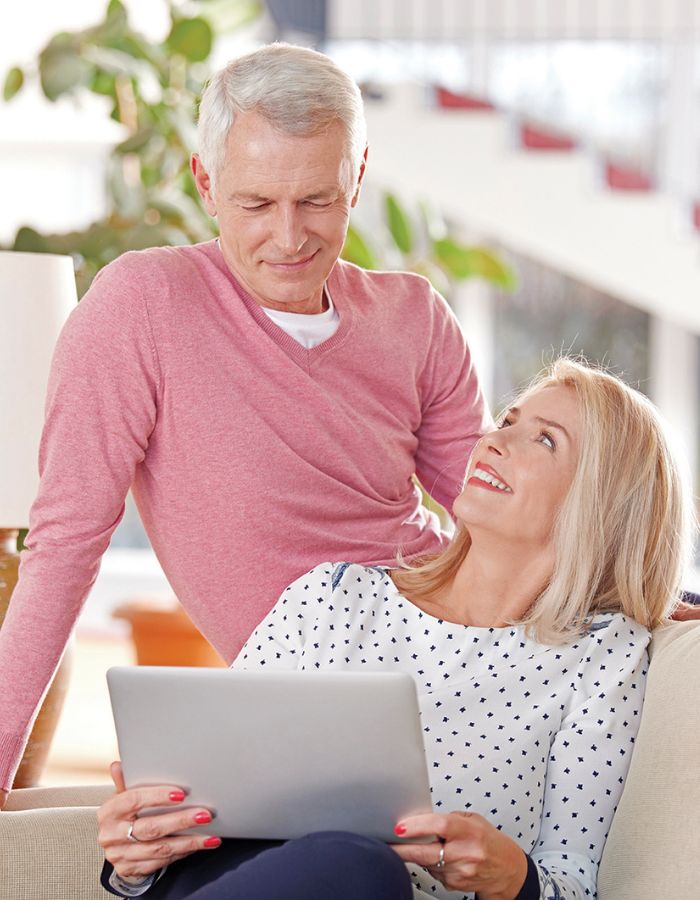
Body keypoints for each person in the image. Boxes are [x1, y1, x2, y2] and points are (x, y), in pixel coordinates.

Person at [0, 44, 490, 804]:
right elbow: (63, 549)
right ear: (206, 183)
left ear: (357, 179)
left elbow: (503, 523)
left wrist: (634, 589)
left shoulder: (414, 317)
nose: (289, 238)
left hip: (464, 652)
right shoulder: (143, 307)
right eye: (258, 204)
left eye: (317, 201)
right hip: (312, 701)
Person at [97, 358, 694, 899]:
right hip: (226, 874)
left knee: (362, 867)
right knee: (355, 862)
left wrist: (513, 876)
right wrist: (137, 860)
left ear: (604, 502)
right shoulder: (331, 596)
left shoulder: (602, 657)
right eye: (507, 419)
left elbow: (573, 880)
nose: (495, 439)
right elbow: (207, 789)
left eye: (543, 439)